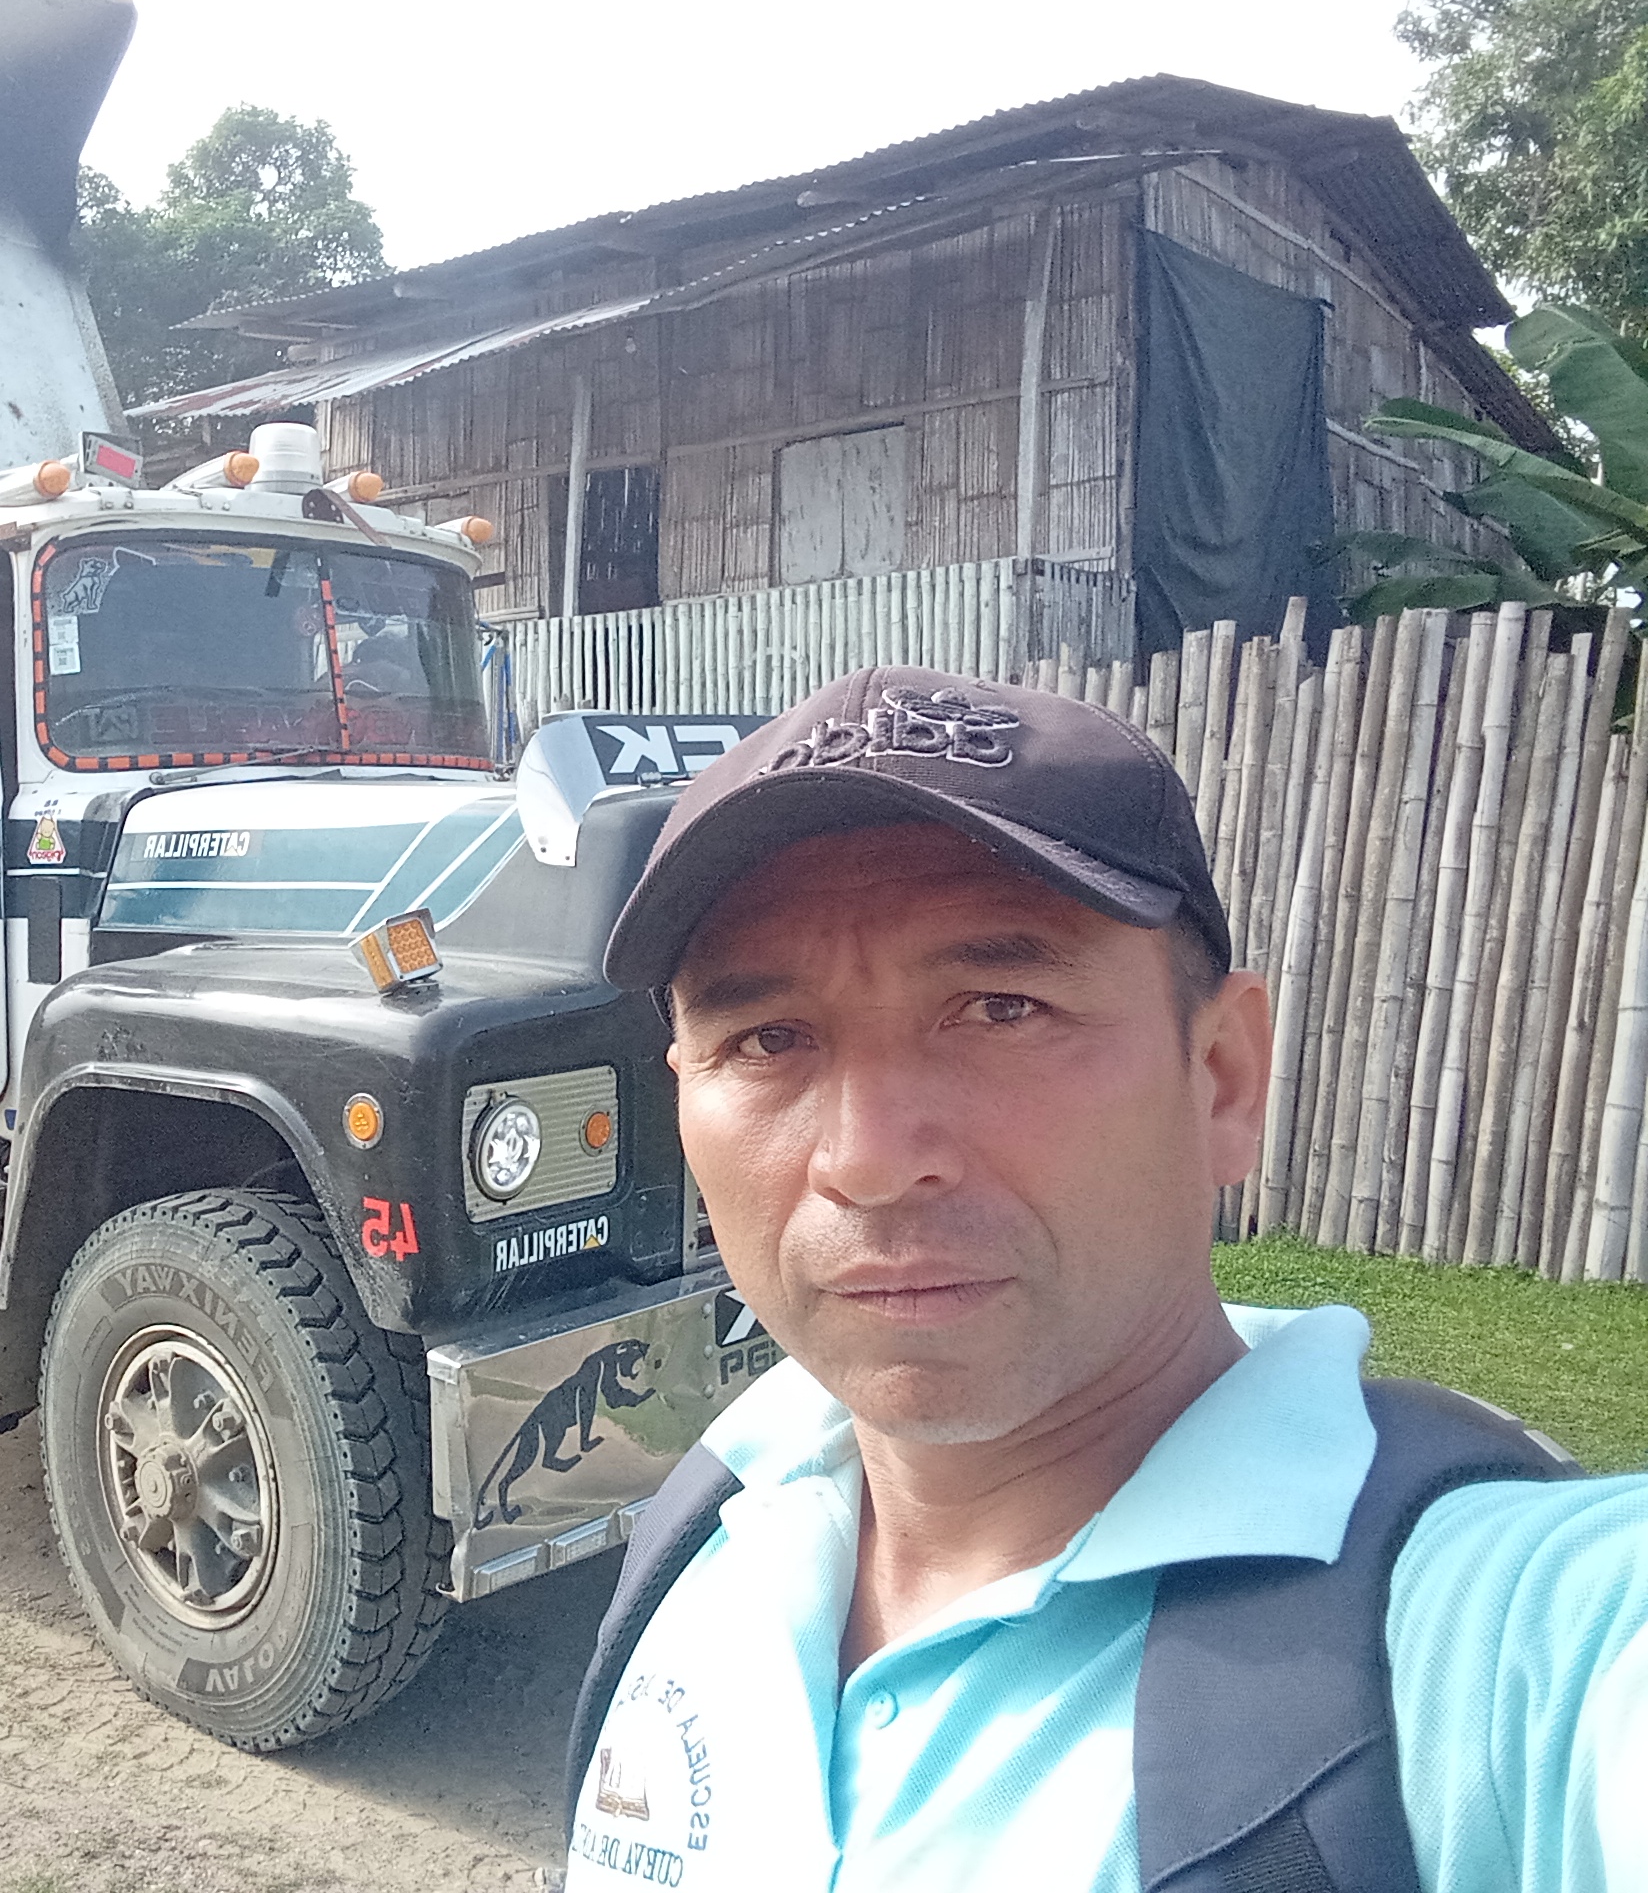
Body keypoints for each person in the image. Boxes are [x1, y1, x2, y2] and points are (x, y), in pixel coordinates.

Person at [566, 666, 1648, 1891]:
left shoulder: (1505, 1640)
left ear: (1224, 1078)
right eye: (768, 1039)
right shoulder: (720, 1514)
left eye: (1001, 1007)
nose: (866, 1159)